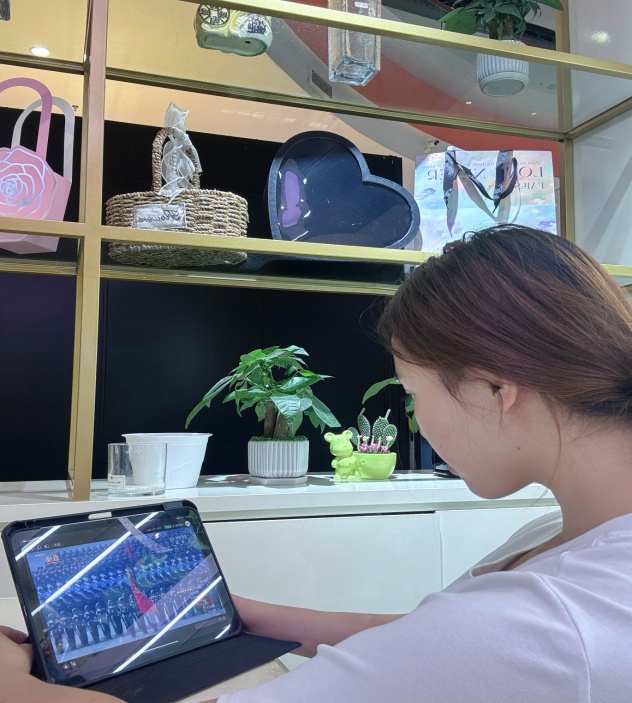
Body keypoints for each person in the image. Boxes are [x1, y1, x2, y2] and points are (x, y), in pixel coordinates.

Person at [2, 224, 632, 702]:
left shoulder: (551, 618)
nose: (416, 420)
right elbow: (431, 642)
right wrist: (253, 616)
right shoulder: (567, 548)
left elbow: (478, 643)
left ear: (495, 386)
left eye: (412, 394)